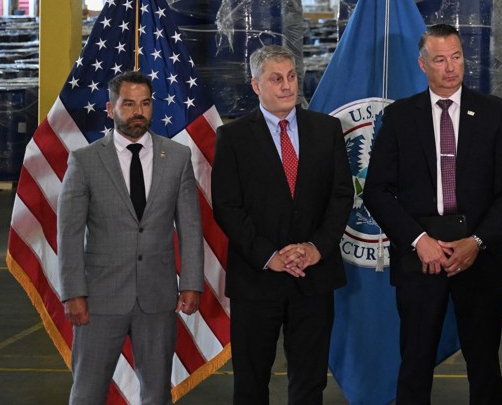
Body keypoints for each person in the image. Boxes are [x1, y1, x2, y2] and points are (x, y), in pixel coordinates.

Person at [365, 24, 502, 405]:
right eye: (439, 59)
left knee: (484, 364)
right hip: (421, 258)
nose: (450, 67)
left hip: (478, 255)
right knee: (415, 363)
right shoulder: (400, 118)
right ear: (423, 65)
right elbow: (377, 190)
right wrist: (420, 242)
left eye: (456, 57)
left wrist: (479, 241)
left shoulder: (493, 113)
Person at [212, 45, 353, 404]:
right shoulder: (233, 137)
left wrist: (315, 248)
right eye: (276, 79)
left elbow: (341, 198)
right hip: (257, 278)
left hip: (314, 277)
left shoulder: (326, 129)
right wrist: (269, 255)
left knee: (309, 382)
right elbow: (227, 207)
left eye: (291, 76)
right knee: (251, 381)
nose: (287, 86)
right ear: (256, 85)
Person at [57, 71, 203, 405]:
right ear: (110, 108)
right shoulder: (85, 161)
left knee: (156, 394)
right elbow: (68, 234)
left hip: (158, 296)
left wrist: (192, 283)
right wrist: (73, 293)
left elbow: (191, 227)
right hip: (99, 297)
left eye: (145, 104)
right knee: (87, 392)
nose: (138, 111)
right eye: (128, 104)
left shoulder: (177, 158)